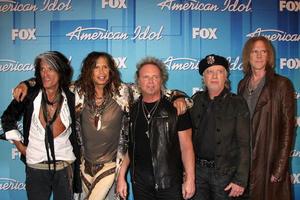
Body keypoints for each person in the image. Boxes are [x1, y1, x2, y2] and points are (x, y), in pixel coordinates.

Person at [12, 52, 190, 200]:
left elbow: (157, 90)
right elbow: (51, 81)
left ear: (111, 70)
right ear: (89, 70)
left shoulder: (123, 91)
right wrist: (28, 83)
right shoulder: (76, 91)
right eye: (96, 66)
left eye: (105, 66)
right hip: (83, 165)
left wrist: (179, 97)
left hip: (111, 165)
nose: (101, 71)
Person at [1, 51, 82, 200]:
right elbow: (7, 118)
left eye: (50, 69)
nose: (45, 74)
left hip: (65, 167)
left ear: (61, 71)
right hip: (35, 167)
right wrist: (20, 146)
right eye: (42, 69)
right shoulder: (30, 95)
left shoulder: (72, 97)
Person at [117, 57, 195, 200]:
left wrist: (190, 179)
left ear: (162, 80)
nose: (151, 81)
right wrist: (121, 176)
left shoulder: (177, 108)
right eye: (146, 77)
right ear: (138, 81)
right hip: (140, 184)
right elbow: (130, 147)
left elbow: (187, 147)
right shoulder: (132, 110)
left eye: (155, 77)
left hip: (169, 183)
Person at [237, 36, 295, 200]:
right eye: (255, 51)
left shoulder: (282, 84)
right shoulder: (242, 84)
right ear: (248, 55)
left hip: (268, 160)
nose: (259, 56)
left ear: (269, 56)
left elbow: (288, 130)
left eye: (264, 51)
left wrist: (279, 169)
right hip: (245, 162)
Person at [189, 54, 250, 200]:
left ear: (226, 76)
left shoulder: (238, 103)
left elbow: (244, 144)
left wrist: (240, 180)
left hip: (226, 175)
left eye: (219, 71)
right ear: (203, 77)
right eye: (210, 72)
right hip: (197, 173)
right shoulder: (195, 100)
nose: (214, 76)